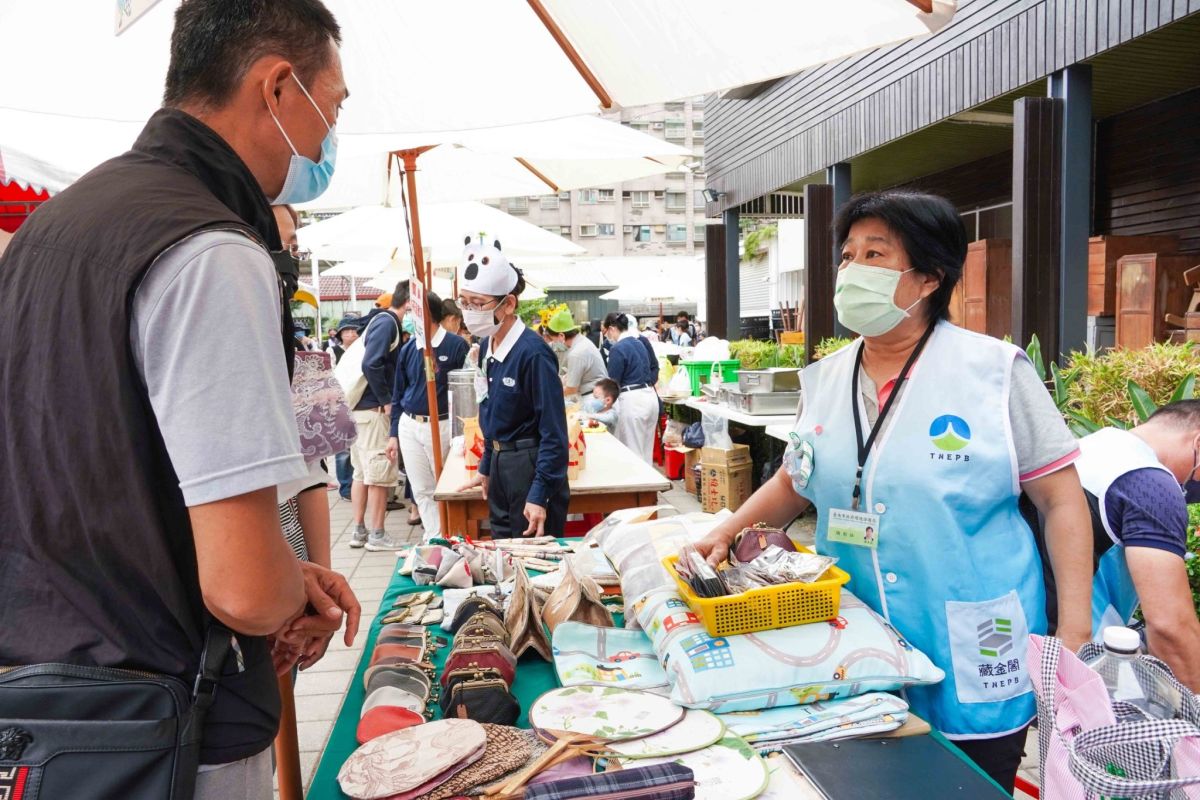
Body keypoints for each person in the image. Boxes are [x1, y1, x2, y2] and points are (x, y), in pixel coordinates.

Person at [0, 2, 361, 797]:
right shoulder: (210, 250)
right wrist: (284, 594)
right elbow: (239, 586)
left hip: (45, 717)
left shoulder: (46, 233)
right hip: (170, 730)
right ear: (277, 87)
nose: (332, 136)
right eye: (332, 107)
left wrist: (282, 576)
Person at [694, 191, 1093, 793]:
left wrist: (1076, 630)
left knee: (966, 785)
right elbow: (795, 480)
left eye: (874, 254)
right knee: (863, 782)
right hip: (853, 638)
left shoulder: (995, 372)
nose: (851, 271)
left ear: (929, 277)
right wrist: (723, 530)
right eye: (847, 255)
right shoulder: (825, 378)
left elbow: (1061, 500)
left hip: (974, 640)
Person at [1023, 401, 1200, 691]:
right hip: (1087, 669)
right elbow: (1169, 625)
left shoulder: (1080, 449)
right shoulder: (1148, 482)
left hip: (1030, 652)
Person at [456, 238, 570, 538]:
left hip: (529, 465)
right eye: (464, 302)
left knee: (532, 559)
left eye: (478, 304)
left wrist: (539, 493)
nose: (469, 312)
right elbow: (491, 412)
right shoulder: (486, 345)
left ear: (508, 304)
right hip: (499, 464)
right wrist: (486, 465)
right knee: (503, 553)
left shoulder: (533, 353)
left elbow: (554, 432)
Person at [384, 290, 470, 542]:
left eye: (415, 312)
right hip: (410, 424)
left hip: (443, 425)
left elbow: (467, 390)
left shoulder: (455, 346)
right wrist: (393, 435)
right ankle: (433, 537)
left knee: (446, 486)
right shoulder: (409, 348)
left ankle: (453, 535)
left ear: (429, 315)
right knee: (421, 489)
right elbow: (399, 393)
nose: (411, 316)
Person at [348, 281, 408, 548]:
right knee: (379, 474)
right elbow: (371, 363)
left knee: (361, 474)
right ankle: (377, 534)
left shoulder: (377, 321)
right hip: (373, 411)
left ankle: (359, 531)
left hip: (360, 410)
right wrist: (386, 401)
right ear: (408, 303)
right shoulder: (388, 323)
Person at [602, 311, 660, 463]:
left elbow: (613, 382)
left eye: (606, 332)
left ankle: (640, 485)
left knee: (633, 452)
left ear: (612, 328)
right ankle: (650, 485)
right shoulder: (639, 343)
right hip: (649, 396)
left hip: (632, 400)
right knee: (646, 451)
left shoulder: (618, 348)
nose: (608, 336)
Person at [547, 307, 607, 402]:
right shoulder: (582, 342)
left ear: (561, 336)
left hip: (592, 398)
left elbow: (571, 389)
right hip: (597, 395)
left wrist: (550, 394)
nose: (553, 344)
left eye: (553, 340)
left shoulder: (576, 353)